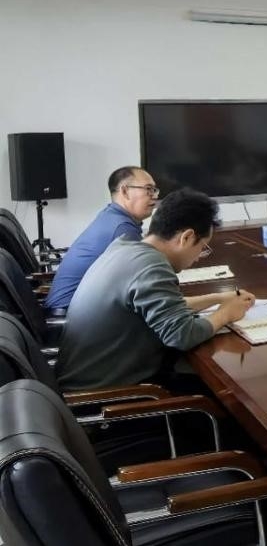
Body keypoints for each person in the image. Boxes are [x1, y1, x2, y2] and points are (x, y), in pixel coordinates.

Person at [55, 188, 254, 392]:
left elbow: (166, 308)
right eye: (203, 248)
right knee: (229, 391)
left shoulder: (126, 247)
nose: (198, 258)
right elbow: (182, 335)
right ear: (186, 237)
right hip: (108, 395)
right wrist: (226, 314)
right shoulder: (151, 267)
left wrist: (218, 298)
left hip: (87, 381)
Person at [45, 167, 159, 310]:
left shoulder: (112, 217)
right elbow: (142, 284)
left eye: (154, 190)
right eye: (148, 189)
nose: (154, 196)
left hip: (72, 310)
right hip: (71, 315)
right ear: (125, 191)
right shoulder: (122, 229)